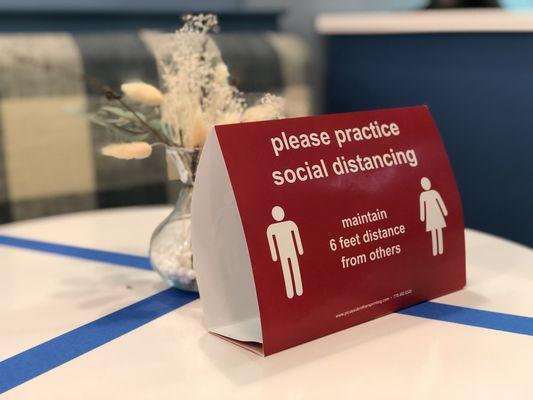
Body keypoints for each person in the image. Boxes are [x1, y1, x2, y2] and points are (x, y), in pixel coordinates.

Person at [266, 206, 304, 299]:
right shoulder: (271, 228)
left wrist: (300, 249)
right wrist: (274, 255)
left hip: (292, 251)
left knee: (295, 268)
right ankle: (290, 291)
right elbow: (272, 242)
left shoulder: (291, 224)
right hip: (282, 253)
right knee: (286, 271)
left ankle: (299, 289)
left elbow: (296, 237)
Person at [419, 177, 448, 256]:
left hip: (437, 214)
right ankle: (435, 250)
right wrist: (422, 217)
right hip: (430, 216)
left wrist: (444, 211)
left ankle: (440, 249)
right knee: (434, 233)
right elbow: (422, 207)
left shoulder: (435, 193)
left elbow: (440, 202)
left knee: (438, 231)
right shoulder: (422, 195)